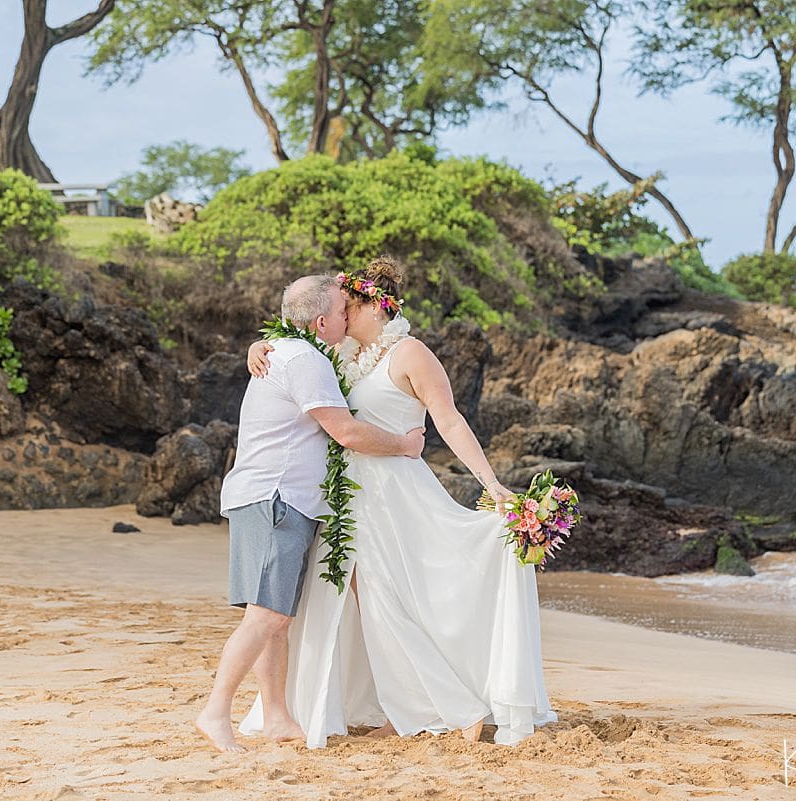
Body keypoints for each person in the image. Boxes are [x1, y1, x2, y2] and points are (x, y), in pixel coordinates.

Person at [239, 256, 558, 748]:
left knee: (392, 599)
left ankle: (444, 706)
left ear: (375, 308)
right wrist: (259, 347)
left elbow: (449, 421)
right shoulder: (343, 353)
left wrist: (491, 483)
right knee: (363, 605)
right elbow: (297, 351)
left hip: (394, 494)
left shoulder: (410, 353)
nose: (341, 317)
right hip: (348, 496)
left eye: (349, 307)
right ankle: (404, 705)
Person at [195, 274, 426, 754]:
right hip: (276, 498)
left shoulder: (291, 351)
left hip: (272, 498)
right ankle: (215, 711)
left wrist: (260, 343)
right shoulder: (306, 359)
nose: (349, 315)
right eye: (343, 310)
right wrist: (405, 446)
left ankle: (277, 715)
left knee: (276, 618)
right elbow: (347, 432)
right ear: (322, 322)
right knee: (265, 617)